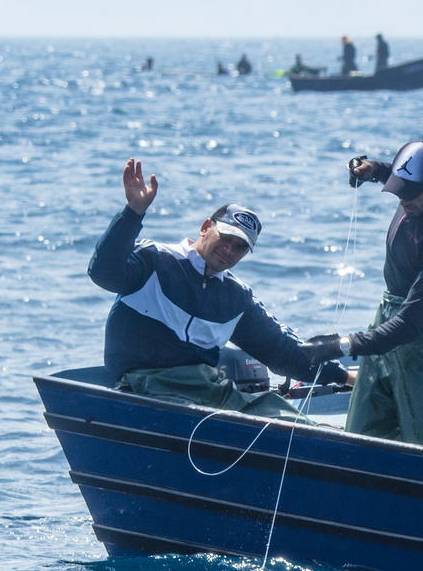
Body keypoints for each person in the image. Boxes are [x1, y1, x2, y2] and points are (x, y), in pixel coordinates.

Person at [87, 158, 350, 419]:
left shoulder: (236, 298)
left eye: (240, 247)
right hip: (144, 389)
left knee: (295, 424)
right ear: (205, 228)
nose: (229, 250)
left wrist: (344, 376)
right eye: (226, 238)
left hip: (208, 392)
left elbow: (283, 350)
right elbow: (103, 272)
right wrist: (133, 213)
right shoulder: (154, 259)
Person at [301, 142, 423, 453]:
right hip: (387, 317)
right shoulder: (418, 189)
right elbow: (400, 175)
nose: (403, 199)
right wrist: (375, 169)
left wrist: (342, 345)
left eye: (409, 193)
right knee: (363, 429)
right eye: (398, 189)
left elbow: (411, 323)